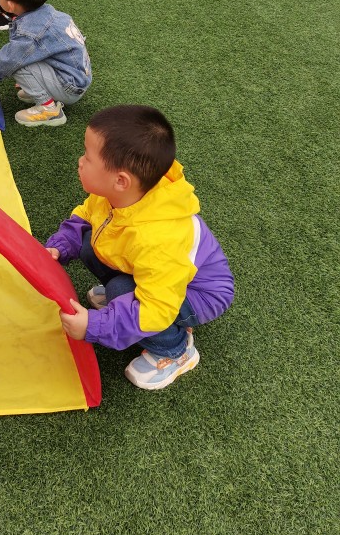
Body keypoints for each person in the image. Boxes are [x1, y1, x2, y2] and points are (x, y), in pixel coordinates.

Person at [46, 106, 234, 390]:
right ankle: (124, 303)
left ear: (121, 181)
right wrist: (61, 246)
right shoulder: (120, 195)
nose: (80, 161)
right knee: (87, 244)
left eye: (88, 156)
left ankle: (176, 350)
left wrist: (94, 326)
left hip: (199, 293)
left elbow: (155, 308)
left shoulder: (158, 238)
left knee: (121, 291)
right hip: (160, 276)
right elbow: (87, 216)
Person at [0, 0, 91, 128]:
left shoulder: (31, 31)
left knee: (17, 63)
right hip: (78, 77)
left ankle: (49, 110)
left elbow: (11, 59)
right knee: (26, 55)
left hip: (70, 87)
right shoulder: (50, 13)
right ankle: (44, 88)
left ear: (10, 5)